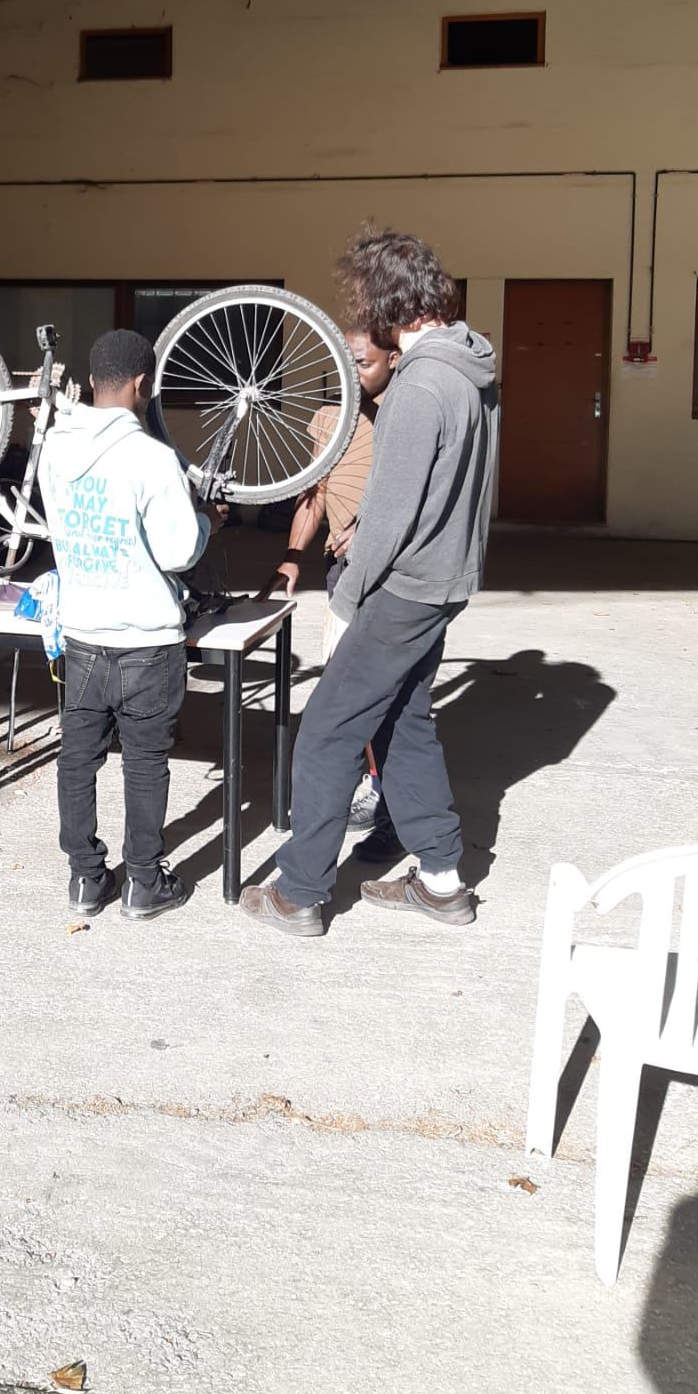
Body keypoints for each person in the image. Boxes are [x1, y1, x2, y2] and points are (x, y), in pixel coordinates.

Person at [241, 229, 499, 937]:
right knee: (403, 723)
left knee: (326, 732)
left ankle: (300, 893)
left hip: (403, 587)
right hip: (445, 581)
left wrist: (349, 596)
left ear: (385, 303)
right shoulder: (474, 369)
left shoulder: (420, 384)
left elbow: (387, 513)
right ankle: (442, 883)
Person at [39, 328, 225, 923]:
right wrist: (207, 521)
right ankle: (144, 883)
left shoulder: (53, 448)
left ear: (93, 381)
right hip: (147, 641)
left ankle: (85, 879)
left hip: (83, 636)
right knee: (144, 763)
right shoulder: (152, 458)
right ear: (144, 384)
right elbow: (178, 552)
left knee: (77, 758)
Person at [260, 326, 398, 845]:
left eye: (362, 362)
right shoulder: (327, 418)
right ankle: (375, 785)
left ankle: (390, 805)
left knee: (391, 695)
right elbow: (315, 493)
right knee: (346, 686)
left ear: (392, 358)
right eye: (344, 361)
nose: (351, 372)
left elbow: (414, 495)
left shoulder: (401, 415)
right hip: (341, 571)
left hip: (390, 573)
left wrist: (369, 529)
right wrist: (293, 558)